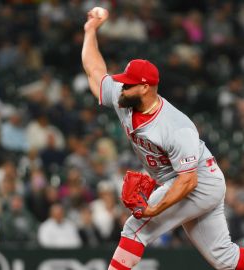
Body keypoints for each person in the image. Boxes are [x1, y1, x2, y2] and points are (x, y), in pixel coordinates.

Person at [81, 7, 244, 270]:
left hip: (198, 182)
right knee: (225, 259)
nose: (121, 86)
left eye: (128, 83)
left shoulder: (176, 127)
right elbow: (94, 71)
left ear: (145, 87)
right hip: (187, 181)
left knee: (135, 229)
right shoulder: (124, 98)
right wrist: (90, 31)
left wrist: (154, 209)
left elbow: (188, 180)